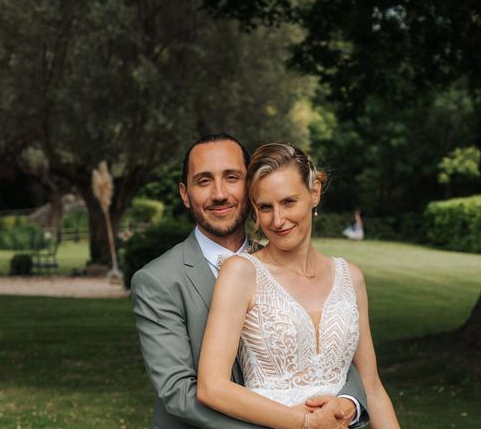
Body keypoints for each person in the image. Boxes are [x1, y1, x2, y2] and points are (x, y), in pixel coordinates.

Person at [130, 134, 367, 429]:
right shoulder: (157, 281)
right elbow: (179, 393)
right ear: (184, 193)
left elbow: (332, 354)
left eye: (232, 177)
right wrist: (298, 422)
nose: (219, 193)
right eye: (203, 181)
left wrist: (350, 404)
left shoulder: (280, 264)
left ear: (250, 185)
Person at [197, 143, 400, 429]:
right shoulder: (241, 273)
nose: (278, 220)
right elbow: (212, 387)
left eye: (288, 202)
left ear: (314, 193)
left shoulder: (351, 277)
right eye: (265, 207)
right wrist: (307, 423)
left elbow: (373, 388)